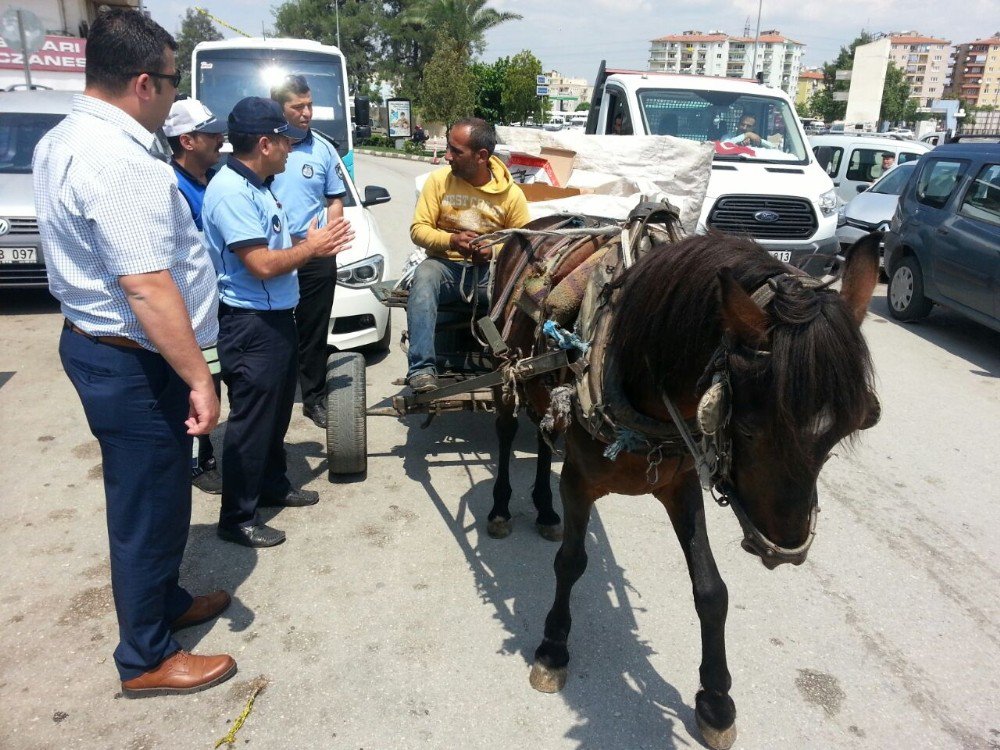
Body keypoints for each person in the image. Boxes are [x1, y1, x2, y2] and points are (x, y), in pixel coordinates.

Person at [33, 9, 235, 698]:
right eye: (175, 83)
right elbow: (149, 289)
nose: (178, 99)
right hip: (134, 358)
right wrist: (200, 379)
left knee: (161, 494)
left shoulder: (67, 137)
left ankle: (164, 600)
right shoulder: (117, 161)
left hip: (106, 348)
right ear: (144, 82)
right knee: (147, 505)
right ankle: (146, 657)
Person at [202, 97, 353, 548]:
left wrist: (307, 242)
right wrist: (314, 247)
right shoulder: (231, 191)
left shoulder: (258, 185)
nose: (291, 147)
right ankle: (237, 517)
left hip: (273, 318)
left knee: (273, 415)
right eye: (284, 141)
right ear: (264, 143)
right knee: (251, 422)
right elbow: (263, 264)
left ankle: (271, 484)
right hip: (251, 324)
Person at [406, 117, 530, 393]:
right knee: (424, 276)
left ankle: (514, 363)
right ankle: (422, 369)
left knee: (528, 296)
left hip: (491, 276)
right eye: (449, 148)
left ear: (481, 156)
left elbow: (522, 243)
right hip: (446, 268)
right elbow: (418, 230)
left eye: (456, 151)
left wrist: (493, 251)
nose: (448, 156)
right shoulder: (438, 182)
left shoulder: (512, 196)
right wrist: (452, 240)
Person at [269, 75, 347, 430]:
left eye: (309, 105)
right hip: (272, 256)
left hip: (315, 254)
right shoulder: (265, 147)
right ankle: (277, 394)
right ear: (279, 108)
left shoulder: (324, 150)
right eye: (297, 107)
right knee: (274, 330)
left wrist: (329, 235)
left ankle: (313, 398)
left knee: (314, 329)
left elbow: (334, 199)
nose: (306, 113)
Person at [163, 97, 228, 494]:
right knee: (200, 381)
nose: (220, 139)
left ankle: (208, 450)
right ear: (187, 141)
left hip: (221, 302)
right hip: (189, 307)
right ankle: (198, 460)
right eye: (211, 133)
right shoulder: (172, 187)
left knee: (217, 377)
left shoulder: (215, 178)